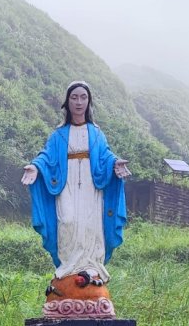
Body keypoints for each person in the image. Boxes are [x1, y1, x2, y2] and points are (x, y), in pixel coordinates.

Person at [22, 81, 130, 310]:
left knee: (91, 225)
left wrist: (115, 164)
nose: (79, 102)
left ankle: (91, 269)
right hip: (66, 184)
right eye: (74, 97)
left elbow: (106, 156)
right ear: (67, 102)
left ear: (89, 102)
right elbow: (46, 156)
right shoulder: (59, 135)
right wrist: (35, 167)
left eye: (83, 97)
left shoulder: (96, 133)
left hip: (92, 186)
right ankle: (68, 268)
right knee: (68, 221)